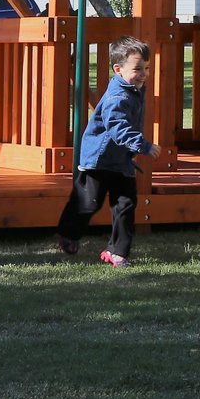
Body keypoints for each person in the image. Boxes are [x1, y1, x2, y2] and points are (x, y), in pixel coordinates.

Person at [55, 37, 158, 267]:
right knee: (89, 202)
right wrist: (143, 145)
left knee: (125, 204)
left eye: (147, 68)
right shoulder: (117, 97)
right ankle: (68, 234)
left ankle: (117, 252)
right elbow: (117, 128)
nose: (143, 74)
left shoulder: (133, 89)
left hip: (121, 161)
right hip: (99, 160)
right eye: (138, 69)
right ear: (118, 69)